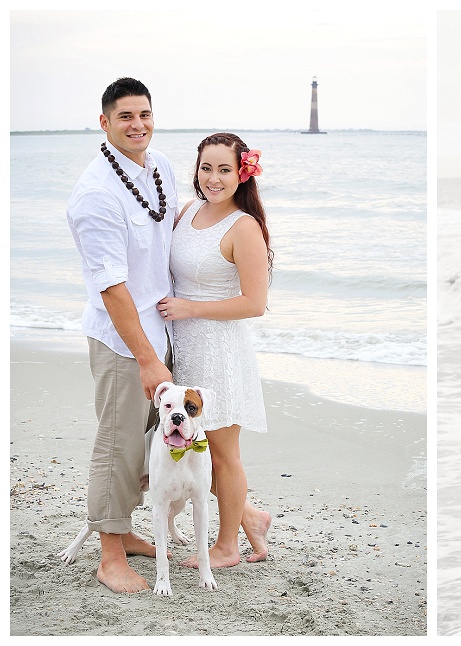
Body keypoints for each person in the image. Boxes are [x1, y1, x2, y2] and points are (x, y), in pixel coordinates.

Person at [67, 77, 177, 593]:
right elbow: (112, 288)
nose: (139, 125)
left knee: (147, 443)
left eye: (145, 115)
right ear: (105, 122)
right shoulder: (95, 194)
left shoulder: (161, 168)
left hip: (162, 327)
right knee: (118, 445)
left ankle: (126, 530)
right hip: (122, 340)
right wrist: (147, 359)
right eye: (126, 117)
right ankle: (110, 555)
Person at [157, 132, 273, 568]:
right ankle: (249, 516)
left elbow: (254, 304)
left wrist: (190, 307)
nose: (214, 178)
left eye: (225, 169)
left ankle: (227, 547)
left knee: (221, 455)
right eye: (207, 167)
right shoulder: (187, 212)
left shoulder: (244, 227)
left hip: (219, 351)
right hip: (183, 348)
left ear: (242, 173)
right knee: (187, 443)